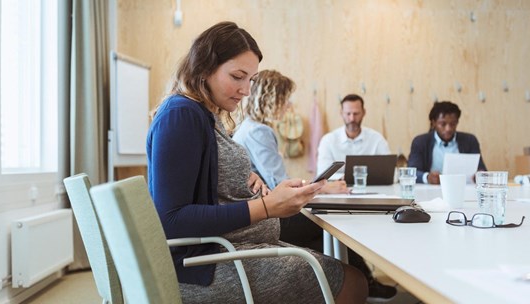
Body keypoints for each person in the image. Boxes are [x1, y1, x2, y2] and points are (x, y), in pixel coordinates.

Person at [146, 21, 367, 304]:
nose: (247, 90)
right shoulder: (181, 115)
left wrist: (247, 179)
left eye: (250, 79)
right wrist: (266, 207)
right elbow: (172, 220)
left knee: (340, 273)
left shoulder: (203, 115)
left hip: (228, 249)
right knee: (352, 283)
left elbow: (207, 183)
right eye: (238, 76)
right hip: (203, 266)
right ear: (204, 68)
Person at [234, 72, 397, 302]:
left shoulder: (248, 127)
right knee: (335, 223)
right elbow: (280, 186)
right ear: (272, 99)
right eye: (286, 99)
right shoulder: (260, 131)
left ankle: (352, 284)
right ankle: (357, 283)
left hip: (260, 212)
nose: (289, 105)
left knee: (321, 237)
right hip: (268, 216)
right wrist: (324, 188)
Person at [408, 101, 487, 184]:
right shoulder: (420, 142)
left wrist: (479, 175)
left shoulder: (470, 140)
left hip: (463, 189)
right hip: (430, 189)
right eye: (443, 124)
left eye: (453, 124)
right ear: (434, 123)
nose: (448, 129)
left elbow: (481, 170)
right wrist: (428, 177)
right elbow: (411, 172)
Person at [316, 94, 391, 176]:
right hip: (337, 188)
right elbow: (322, 174)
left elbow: (390, 172)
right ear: (341, 113)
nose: (352, 119)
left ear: (363, 113)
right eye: (348, 114)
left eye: (356, 114)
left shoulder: (377, 139)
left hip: (371, 188)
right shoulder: (328, 141)